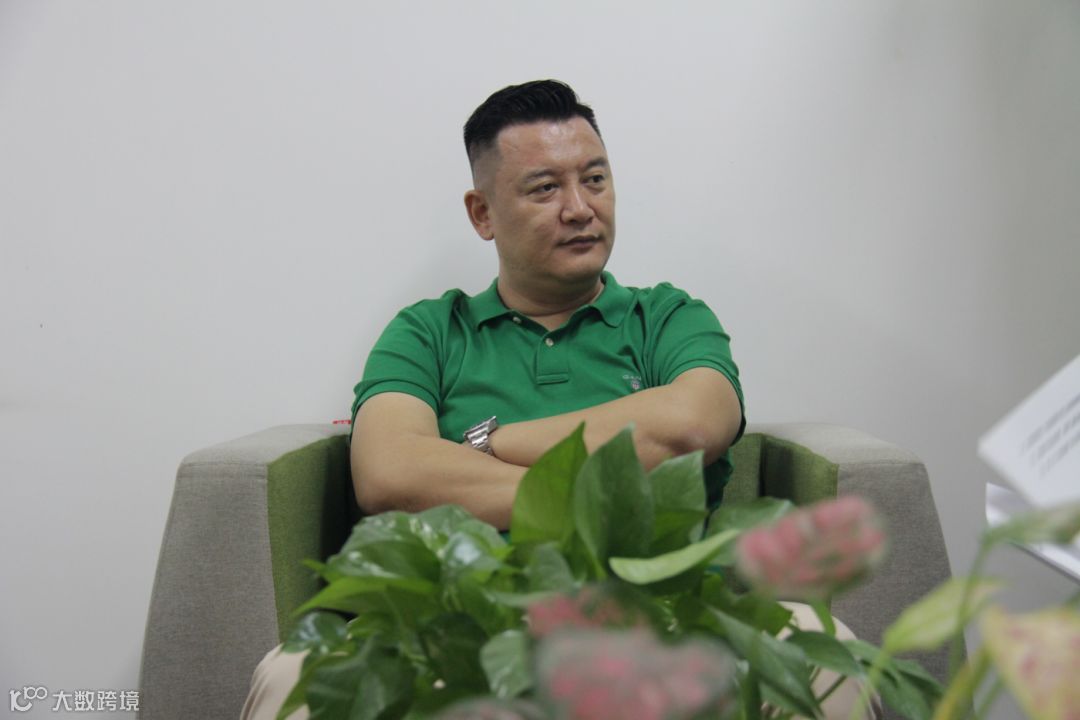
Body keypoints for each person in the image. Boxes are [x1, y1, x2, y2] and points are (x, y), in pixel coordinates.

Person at [241, 80, 876, 720]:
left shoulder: (666, 317)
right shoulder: (429, 332)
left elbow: (689, 425)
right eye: (545, 189)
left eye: (594, 180)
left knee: (823, 654)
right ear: (482, 214)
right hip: (462, 624)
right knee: (294, 673)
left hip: (663, 622)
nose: (579, 208)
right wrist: (607, 496)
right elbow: (389, 473)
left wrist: (488, 444)